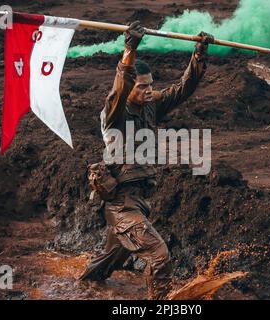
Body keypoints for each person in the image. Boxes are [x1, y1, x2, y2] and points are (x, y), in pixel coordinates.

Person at [80, 20, 213, 300]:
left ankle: (83, 288)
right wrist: (129, 48)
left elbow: (182, 90)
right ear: (130, 88)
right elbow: (121, 84)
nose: (148, 90)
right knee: (159, 255)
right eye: (141, 87)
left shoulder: (151, 104)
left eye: (150, 85)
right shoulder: (115, 112)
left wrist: (198, 55)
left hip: (139, 202)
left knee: (103, 267)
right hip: (120, 206)